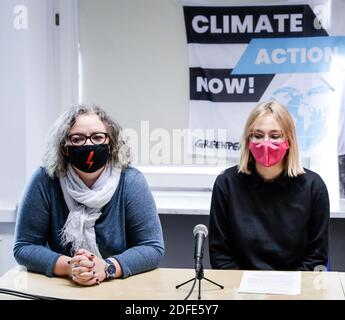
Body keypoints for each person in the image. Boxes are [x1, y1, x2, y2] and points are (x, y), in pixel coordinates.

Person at [13, 105, 164, 286]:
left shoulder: (131, 181)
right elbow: (24, 247)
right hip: (62, 287)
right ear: (64, 147)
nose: (89, 145)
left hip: (118, 286)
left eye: (98, 137)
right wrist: (72, 267)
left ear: (110, 144)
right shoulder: (44, 180)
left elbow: (152, 247)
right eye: (77, 139)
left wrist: (107, 268)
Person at [209, 101, 329, 271]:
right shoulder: (226, 184)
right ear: (248, 140)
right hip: (240, 290)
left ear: (289, 140)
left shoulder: (313, 187)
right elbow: (220, 255)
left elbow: (317, 257)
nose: (265, 143)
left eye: (274, 136)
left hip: (294, 289)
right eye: (258, 135)